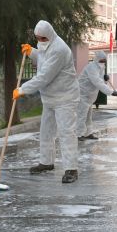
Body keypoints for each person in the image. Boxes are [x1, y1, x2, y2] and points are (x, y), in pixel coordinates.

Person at [16, 20, 81, 183]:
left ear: (50, 35)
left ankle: (71, 169)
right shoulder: (47, 45)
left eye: (43, 39)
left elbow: (44, 76)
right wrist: (32, 52)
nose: (40, 42)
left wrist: (23, 89)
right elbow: (44, 58)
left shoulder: (59, 49)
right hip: (50, 98)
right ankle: (46, 162)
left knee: (67, 133)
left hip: (65, 98)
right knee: (46, 132)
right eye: (38, 39)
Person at [76, 51, 117, 140]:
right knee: (81, 115)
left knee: (88, 116)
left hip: (90, 95)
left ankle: (88, 133)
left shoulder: (101, 68)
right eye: (101, 61)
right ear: (96, 59)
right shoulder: (91, 67)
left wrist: (105, 79)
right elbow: (97, 82)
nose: (102, 63)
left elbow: (101, 81)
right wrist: (111, 92)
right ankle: (78, 134)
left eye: (104, 61)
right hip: (82, 93)